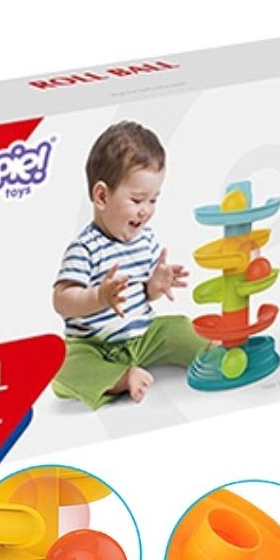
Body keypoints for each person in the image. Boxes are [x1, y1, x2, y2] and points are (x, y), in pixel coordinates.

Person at [51, 121, 201, 407]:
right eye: (137, 199)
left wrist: (155, 286)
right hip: (94, 346)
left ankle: (210, 351)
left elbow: (143, 295)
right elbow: (61, 300)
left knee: (180, 327)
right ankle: (120, 377)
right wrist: (98, 297)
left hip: (143, 337)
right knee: (61, 367)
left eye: (153, 200)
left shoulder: (145, 240)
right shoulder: (84, 248)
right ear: (102, 196)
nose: (146, 210)